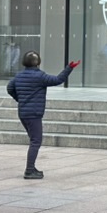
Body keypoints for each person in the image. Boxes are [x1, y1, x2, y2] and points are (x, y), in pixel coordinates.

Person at [7, 51, 81, 179]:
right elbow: (58, 80)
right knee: (36, 141)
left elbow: (9, 88)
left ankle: (32, 167)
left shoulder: (19, 76)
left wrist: (20, 99)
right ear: (38, 62)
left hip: (23, 113)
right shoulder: (40, 76)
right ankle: (29, 170)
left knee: (33, 140)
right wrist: (69, 68)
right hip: (34, 114)